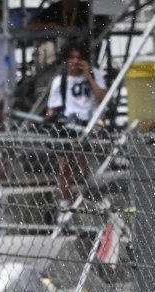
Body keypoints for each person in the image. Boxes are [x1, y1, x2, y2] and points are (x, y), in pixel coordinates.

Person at [45, 41, 105, 206]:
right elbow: (52, 109)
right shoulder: (60, 81)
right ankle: (65, 203)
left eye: (79, 58)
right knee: (65, 168)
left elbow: (102, 97)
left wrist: (89, 75)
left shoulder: (94, 74)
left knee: (92, 163)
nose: (75, 61)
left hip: (91, 124)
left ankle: (96, 198)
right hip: (70, 125)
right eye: (72, 57)